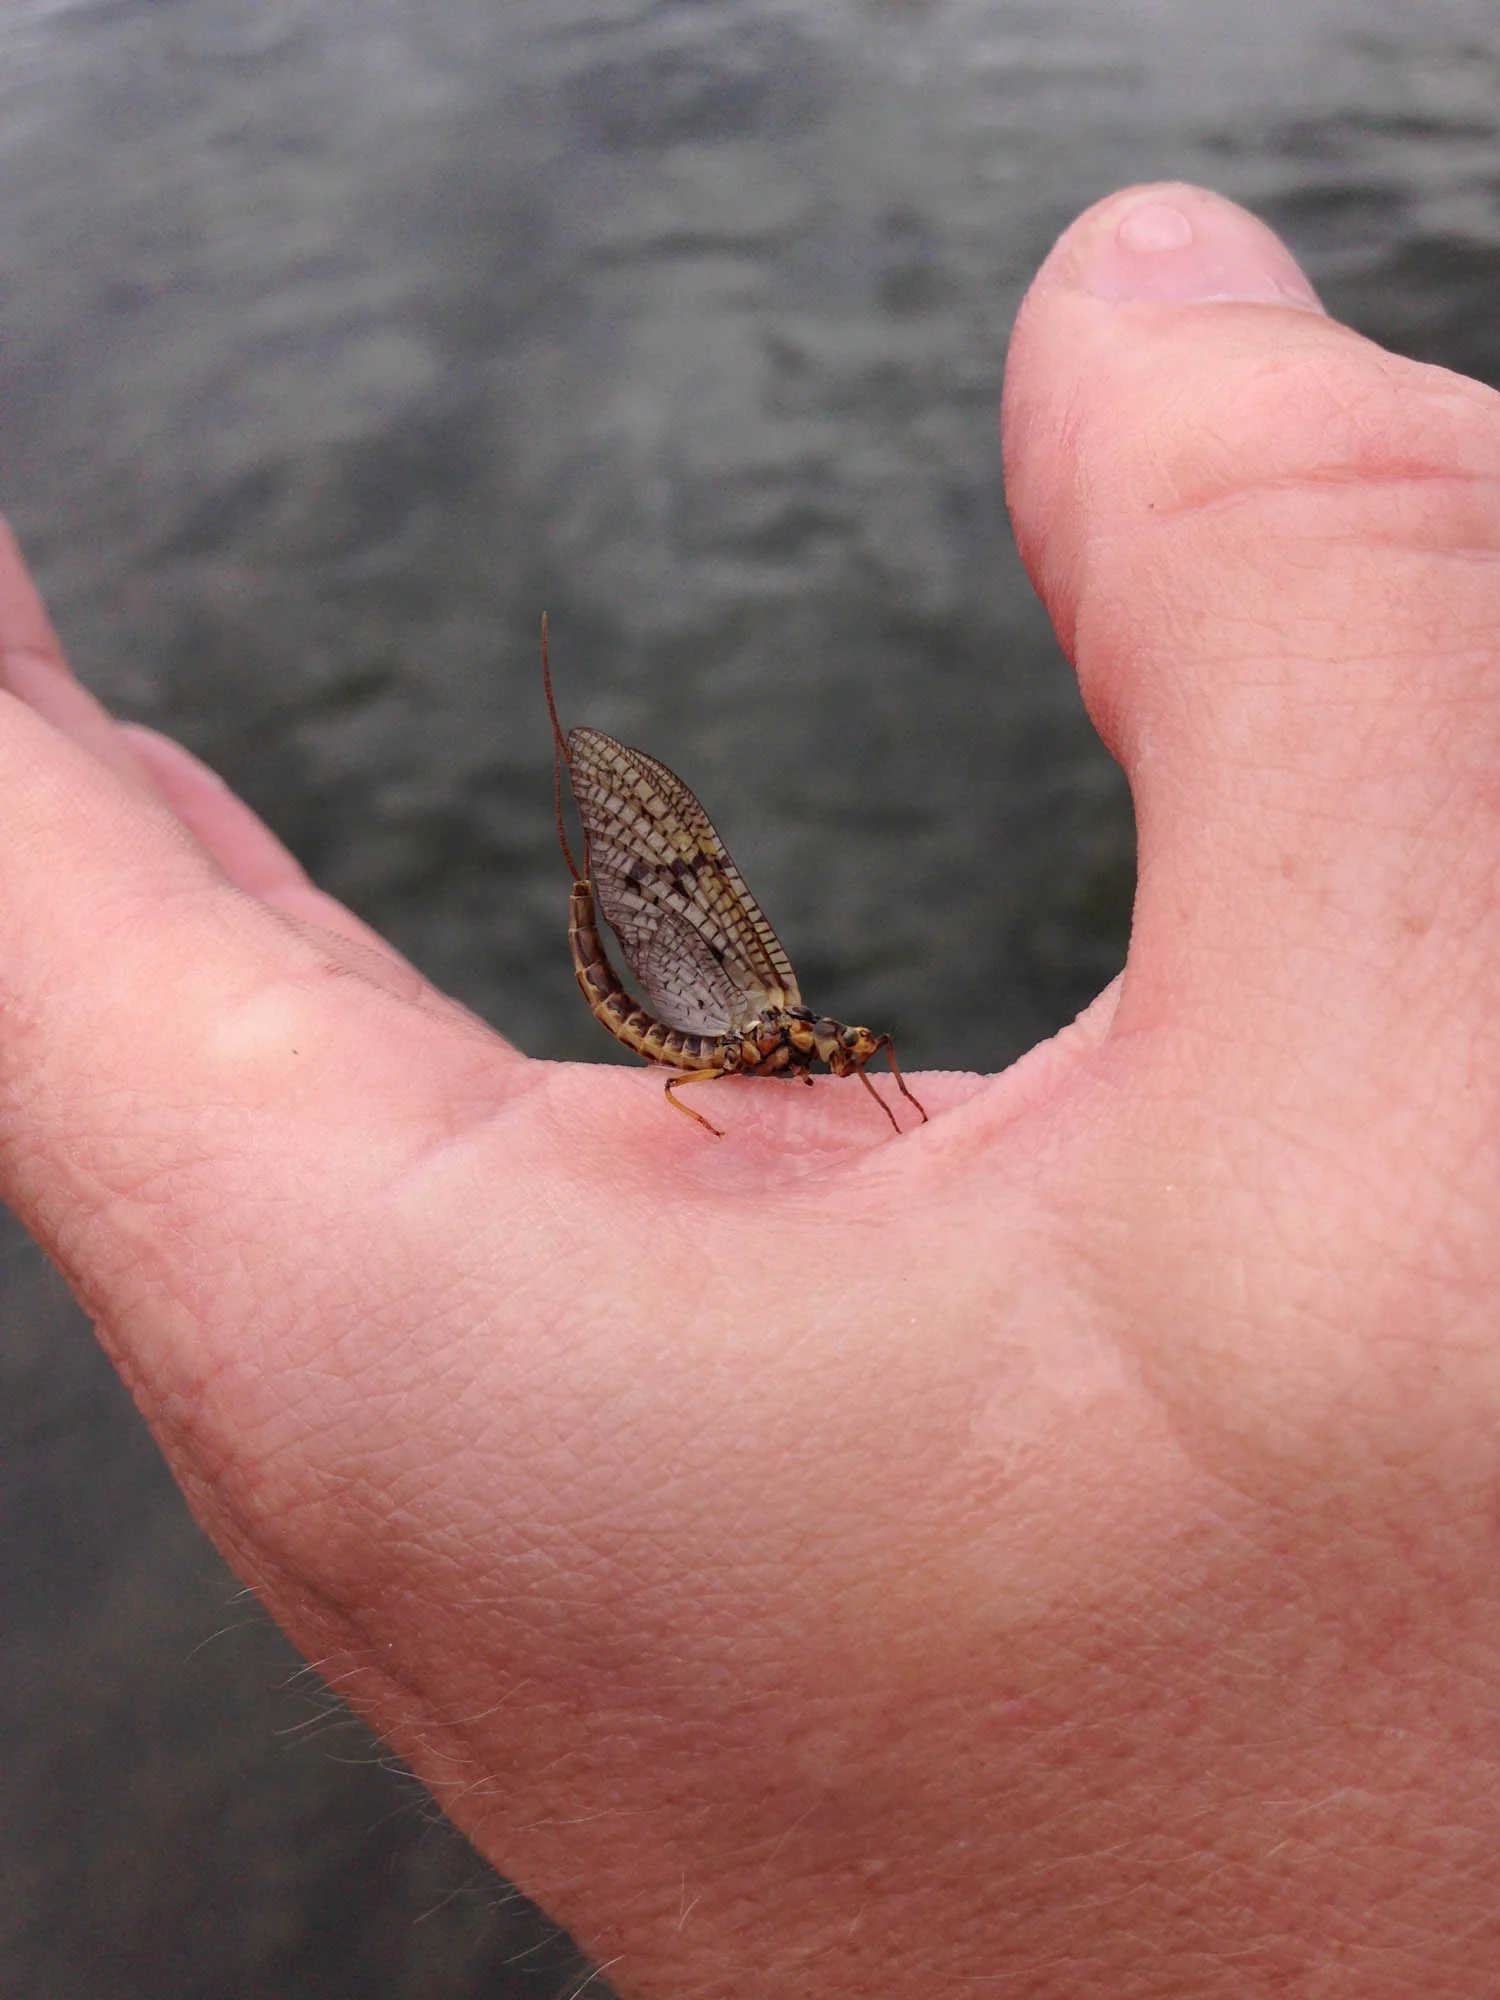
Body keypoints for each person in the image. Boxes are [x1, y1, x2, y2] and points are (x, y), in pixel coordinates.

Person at [4, 182, 1497, 1998]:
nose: (863, 1069)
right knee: (680, 965)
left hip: (701, 1024)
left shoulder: (797, 1048)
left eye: (859, 1069)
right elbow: (725, 1067)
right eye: (856, 1065)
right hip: (684, 1018)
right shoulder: (757, 1034)